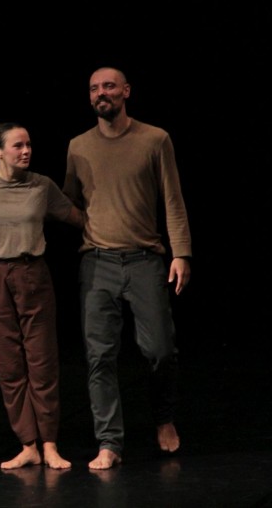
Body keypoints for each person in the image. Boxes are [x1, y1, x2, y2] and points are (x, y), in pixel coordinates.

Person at [62, 66, 192, 470]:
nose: (101, 93)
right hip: (97, 262)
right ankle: (109, 442)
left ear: (126, 91)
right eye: (94, 88)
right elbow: (70, 203)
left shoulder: (155, 139)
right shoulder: (78, 146)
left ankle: (163, 418)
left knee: (160, 350)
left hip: (145, 260)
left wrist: (181, 253)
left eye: (109, 86)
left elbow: (173, 199)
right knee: (99, 356)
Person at [0, 122, 83, 470]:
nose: (26, 150)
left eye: (29, 144)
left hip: (32, 273)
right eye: (18, 145)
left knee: (42, 361)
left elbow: (76, 217)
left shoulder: (41, 185)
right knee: (8, 363)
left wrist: (116, 228)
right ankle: (28, 444)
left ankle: (50, 443)